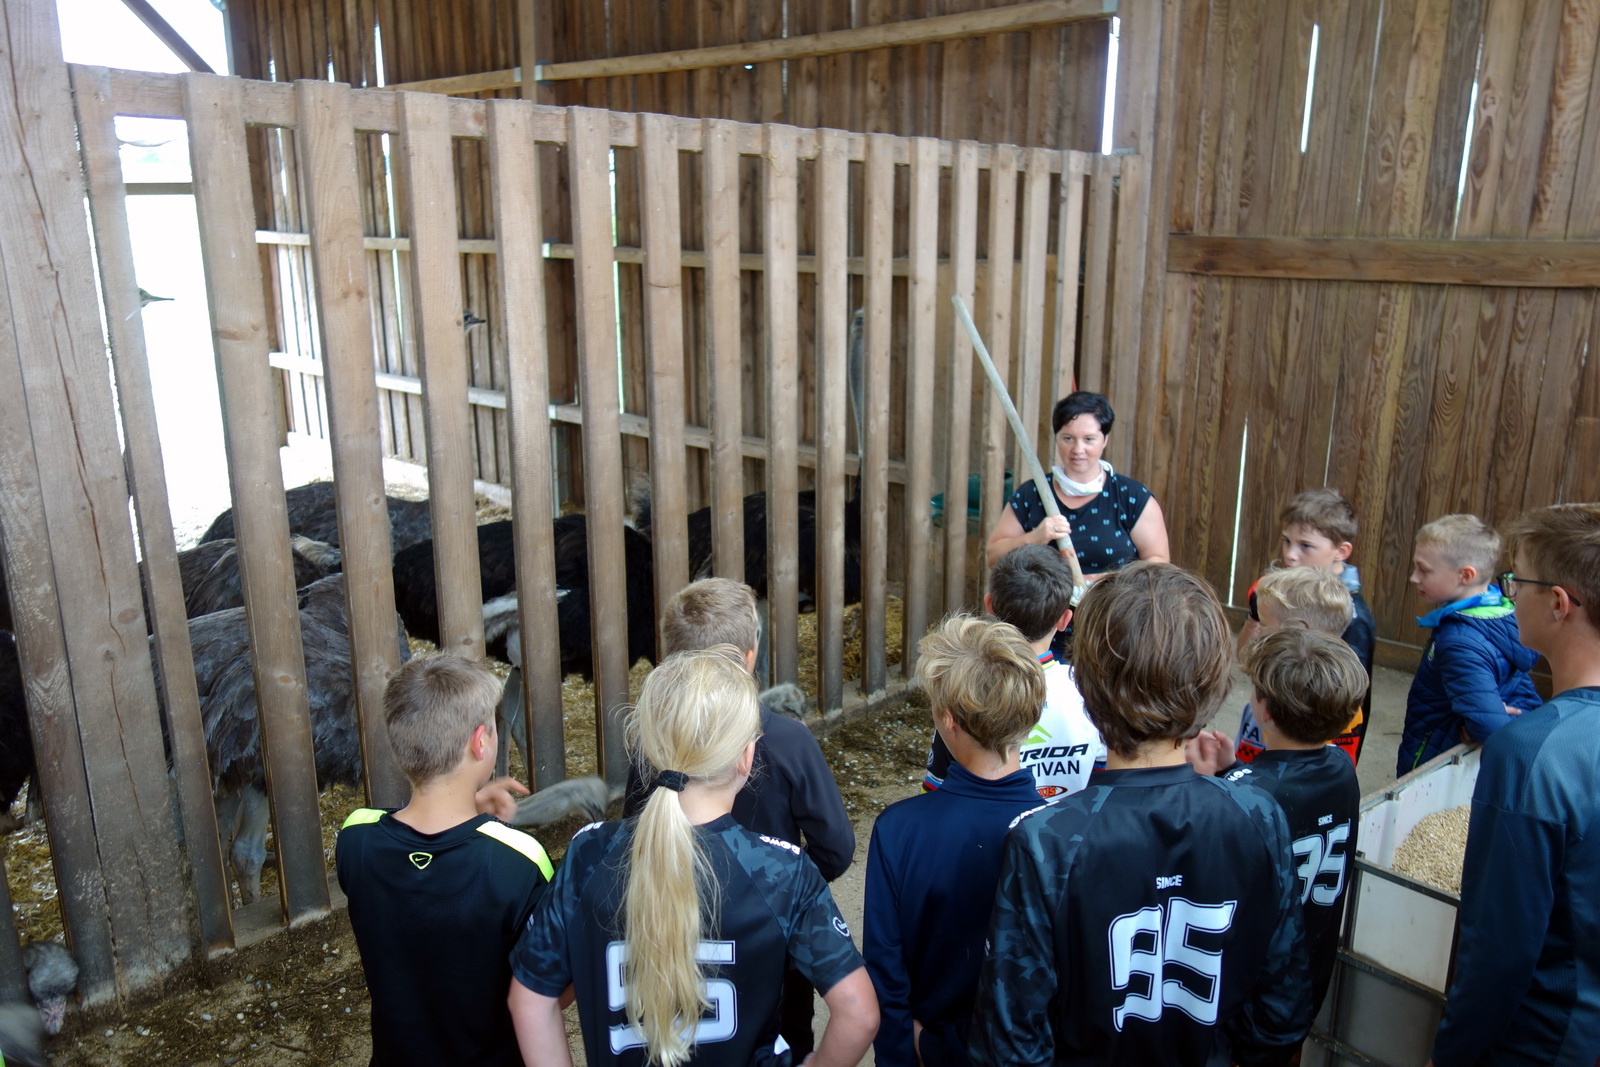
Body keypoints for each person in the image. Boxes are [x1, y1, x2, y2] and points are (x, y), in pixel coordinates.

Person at [970, 562, 1312, 1067]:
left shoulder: (1046, 841)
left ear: (1084, 684)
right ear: (1213, 684)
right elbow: (1282, 1010)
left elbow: (1010, 1044)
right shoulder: (1259, 813)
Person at [509, 647, 878, 1067]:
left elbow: (532, 999)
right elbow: (859, 1014)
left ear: (647, 749)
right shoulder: (783, 871)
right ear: (746, 758)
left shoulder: (588, 854)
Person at [621, 577, 855, 1058]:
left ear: (670, 659)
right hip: (776, 949)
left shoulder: (653, 746)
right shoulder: (788, 740)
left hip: (672, 936)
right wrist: (787, 889)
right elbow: (836, 847)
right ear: (750, 657)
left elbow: (633, 837)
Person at [1429, 503, 1600, 1066]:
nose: (1507, 595)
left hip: (1544, 1041)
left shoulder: (1531, 752)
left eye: (1516, 581)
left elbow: (1499, 949)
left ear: (1558, 603)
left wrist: (1450, 1054)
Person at [336, 653, 554, 1067]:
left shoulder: (355, 839)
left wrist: (470, 804)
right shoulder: (520, 861)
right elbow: (549, 990)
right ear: (480, 742)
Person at [866, 614, 1048, 1067]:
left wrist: (913, 1051)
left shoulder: (898, 830)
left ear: (947, 720)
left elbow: (886, 973)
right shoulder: (1061, 833)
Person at [1188, 628, 1365, 1018]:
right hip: (1312, 967)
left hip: (1255, 986)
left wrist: (1204, 783)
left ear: (1264, 710)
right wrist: (1233, 770)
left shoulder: (1244, 794)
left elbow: (1208, 864)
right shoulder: (1342, 766)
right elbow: (1284, 802)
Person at [922, 545, 1106, 799]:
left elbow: (935, 792)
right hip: (1070, 822)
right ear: (1065, 619)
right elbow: (1101, 782)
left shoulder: (966, 686)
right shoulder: (1090, 690)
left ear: (989, 604)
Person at [1397, 514, 1541, 777]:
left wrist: (1489, 721)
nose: (1413, 578)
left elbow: (1491, 729)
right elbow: (1520, 688)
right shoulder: (1503, 614)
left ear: (1465, 575)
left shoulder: (1460, 642)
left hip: (1439, 757)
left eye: (1423, 570)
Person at [1238, 489, 1376, 764]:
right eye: (1286, 541)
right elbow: (1243, 656)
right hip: (1270, 721)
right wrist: (1256, 617)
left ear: (1341, 551)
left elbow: (1345, 696)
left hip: (1314, 740)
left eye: (1305, 546)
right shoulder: (1282, 595)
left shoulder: (1353, 618)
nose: (1290, 555)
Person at [984, 391, 1169, 575]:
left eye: (1089, 439)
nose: (1078, 449)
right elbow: (993, 557)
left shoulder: (1132, 497)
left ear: (1104, 440)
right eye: (1068, 438)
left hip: (1113, 594)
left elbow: (1158, 561)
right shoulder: (1032, 494)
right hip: (1042, 595)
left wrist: (1102, 581)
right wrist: (1033, 538)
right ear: (1057, 438)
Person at [1218, 566, 1356, 766]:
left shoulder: (1302, 707)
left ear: (1297, 637)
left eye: (1265, 625)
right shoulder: (1275, 684)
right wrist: (1232, 766)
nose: (1258, 632)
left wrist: (1233, 774)